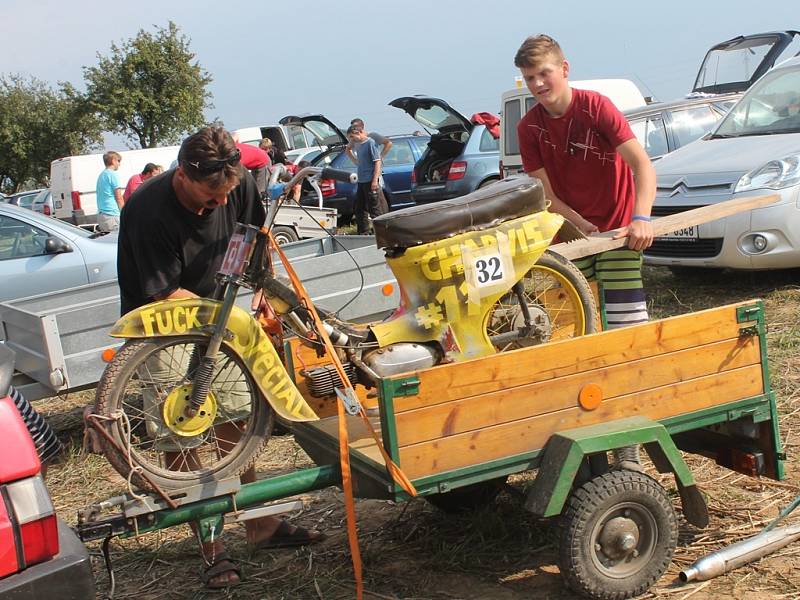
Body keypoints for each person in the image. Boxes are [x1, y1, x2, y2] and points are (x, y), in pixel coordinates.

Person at [117, 126, 323, 589]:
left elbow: (252, 237)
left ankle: (260, 525)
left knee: (238, 419)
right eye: (209, 198)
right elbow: (163, 292)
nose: (217, 205)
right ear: (184, 175)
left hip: (222, 313)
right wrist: (226, 320)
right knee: (182, 433)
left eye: (225, 194)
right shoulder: (147, 210)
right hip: (163, 324)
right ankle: (211, 545)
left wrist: (259, 290)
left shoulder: (239, 183)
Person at [514, 34, 656, 330]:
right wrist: (577, 223)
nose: (538, 84)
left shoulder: (596, 107)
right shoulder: (528, 128)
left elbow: (642, 165)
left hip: (618, 233)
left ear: (564, 69)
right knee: (575, 331)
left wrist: (641, 218)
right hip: (569, 237)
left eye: (544, 73)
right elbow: (546, 195)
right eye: (530, 78)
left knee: (626, 326)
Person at [346, 124, 387, 234]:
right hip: (361, 180)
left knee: (374, 209)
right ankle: (363, 232)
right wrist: (355, 161)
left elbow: (377, 162)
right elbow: (348, 149)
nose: (351, 140)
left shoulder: (370, 143)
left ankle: (382, 232)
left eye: (352, 137)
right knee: (359, 208)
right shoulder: (357, 144)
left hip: (370, 180)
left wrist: (374, 180)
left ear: (358, 133)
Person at [96, 151, 124, 232]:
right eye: (118, 161)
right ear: (113, 160)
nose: (119, 164)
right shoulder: (112, 174)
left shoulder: (102, 175)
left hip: (102, 215)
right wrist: (125, 213)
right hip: (112, 214)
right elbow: (119, 198)